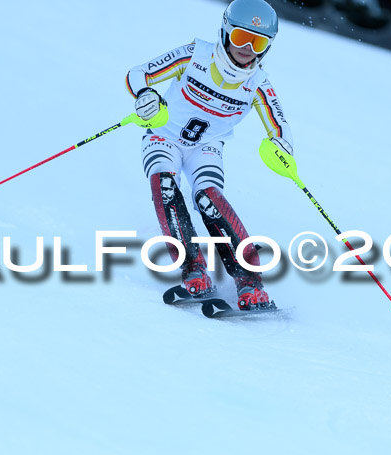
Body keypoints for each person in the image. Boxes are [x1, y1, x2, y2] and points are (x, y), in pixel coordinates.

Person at [125, 0, 294, 310]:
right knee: (164, 184)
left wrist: (282, 145)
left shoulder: (257, 82)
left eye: (257, 42)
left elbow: (279, 124)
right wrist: (146, 95)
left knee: (208, 198)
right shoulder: (196, 54)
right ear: (226, 31)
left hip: (207, 147)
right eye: (241, 37)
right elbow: (139, 74)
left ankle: (250, 282)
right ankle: (193, 270)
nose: (246, 48)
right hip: (164, 136)